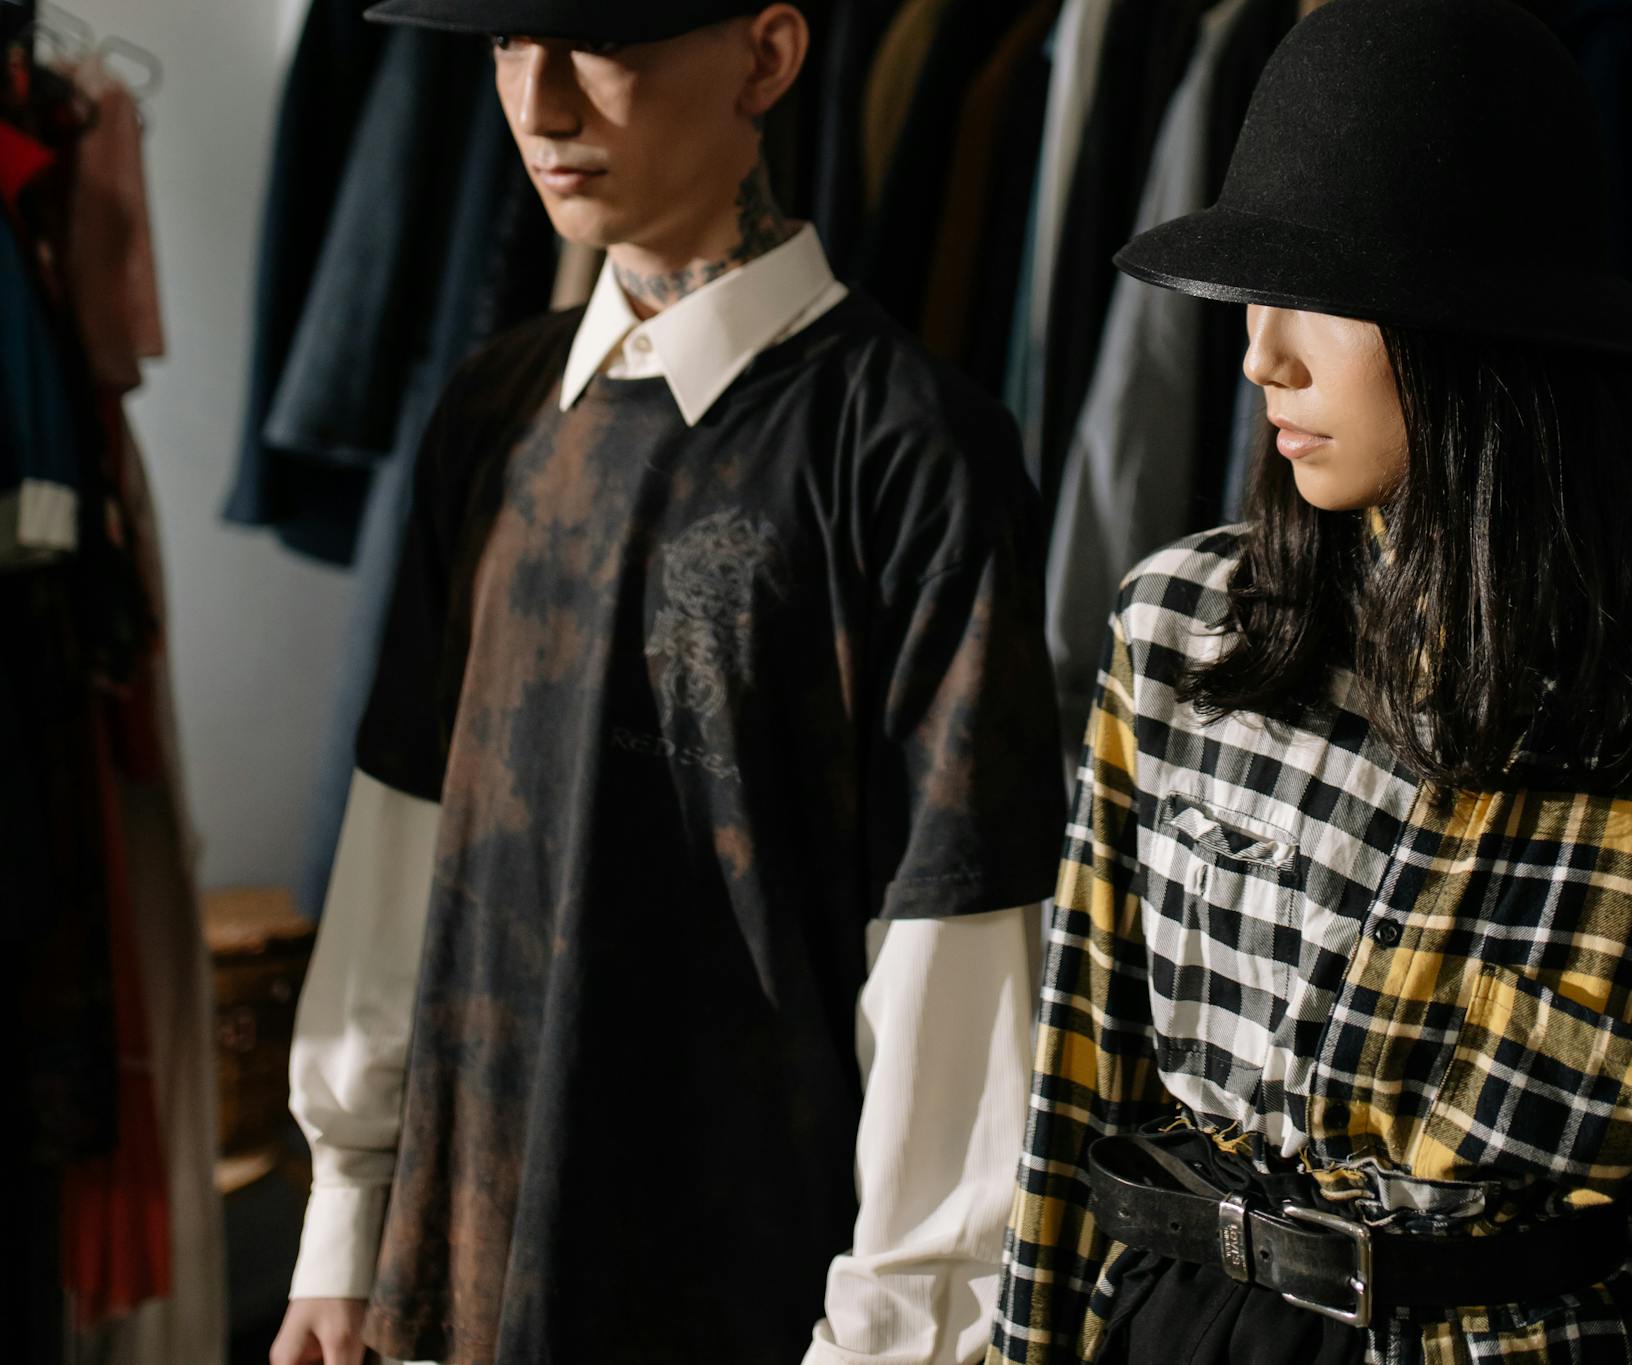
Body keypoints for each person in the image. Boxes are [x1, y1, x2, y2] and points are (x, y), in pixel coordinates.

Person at [989, 1, 1632, 1362]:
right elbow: (1075, 1094)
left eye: (1320, 292)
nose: (1259, 354)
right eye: (1254, 287)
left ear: (1489, 327)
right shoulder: (1185, 634)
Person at [269, 4, 1066, 1363]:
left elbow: (952, 928)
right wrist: (347, 1218)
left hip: (748, 1271)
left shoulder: (908, 453)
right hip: (460, 1264)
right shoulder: (495, 412)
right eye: (509, 47)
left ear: (767, 55)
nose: (543, 104)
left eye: (600, 42)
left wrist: (898, 1331)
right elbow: (407, 806)